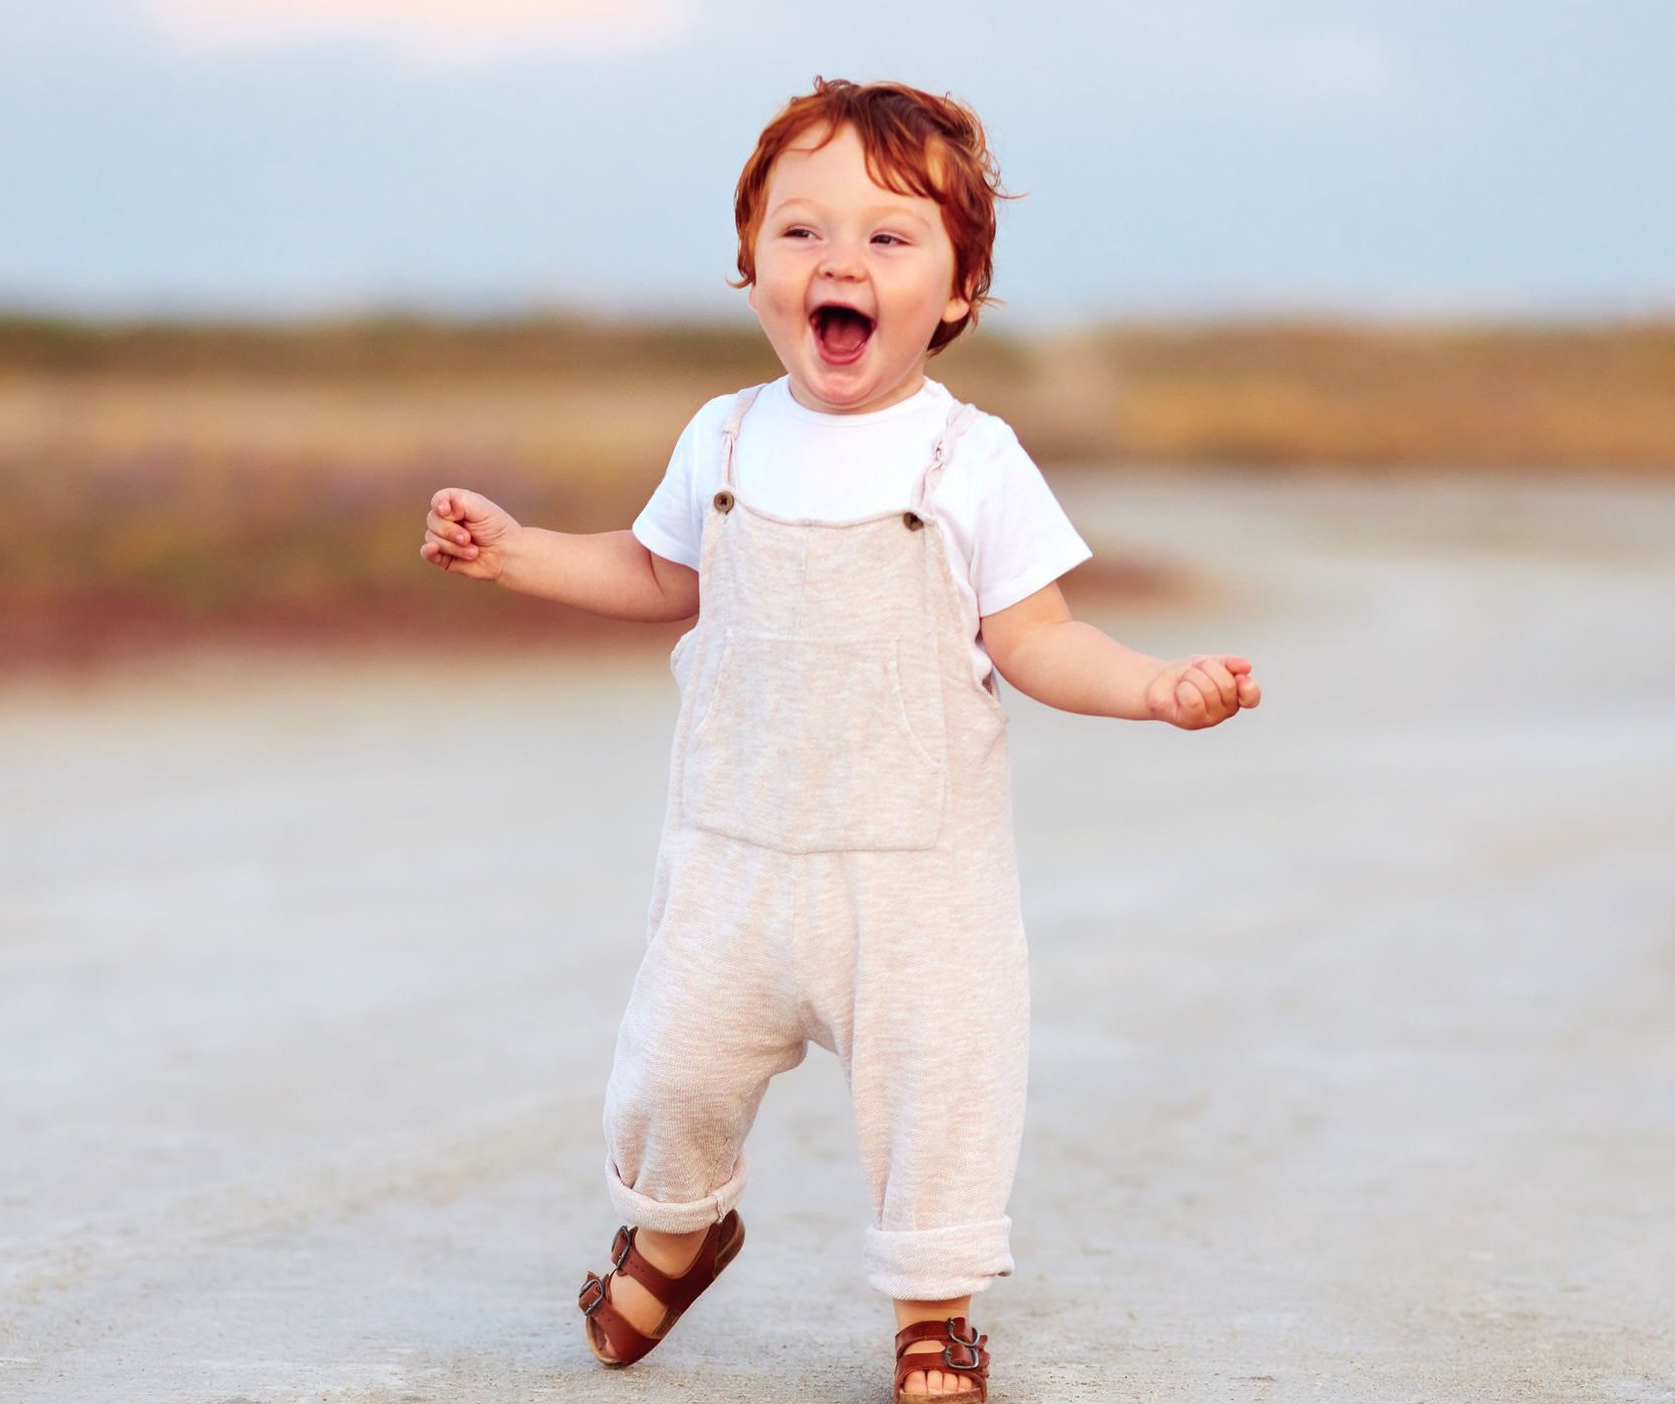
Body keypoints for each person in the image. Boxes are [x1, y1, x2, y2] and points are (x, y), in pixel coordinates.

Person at [417, 76, 1261, 1401]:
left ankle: (932, 1314)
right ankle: (678, 1233)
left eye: (887, 235)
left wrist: (1155, 686)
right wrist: (517, 553)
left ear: (959, 289)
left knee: (943, 1095)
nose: (838, 261)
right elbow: (655, 576)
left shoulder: (968, 460)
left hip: (915, 874)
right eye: (800, 230)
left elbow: (1036, 638)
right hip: (732, 853)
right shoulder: (725, 435)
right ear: (749, 264)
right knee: (671, 1074)